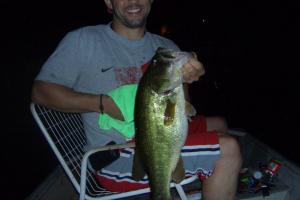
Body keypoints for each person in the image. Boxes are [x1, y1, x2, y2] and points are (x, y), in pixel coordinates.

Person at [31, 0, 242, 199]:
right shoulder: (83, 40)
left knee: (220, 123)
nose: (133, 2)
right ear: (108, 2)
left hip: (156, 133)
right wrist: (102, 104)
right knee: (228, 150)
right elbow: (40, 92)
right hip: (115, 157)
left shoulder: (165, 46)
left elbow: (180, 107)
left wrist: (187, 77)